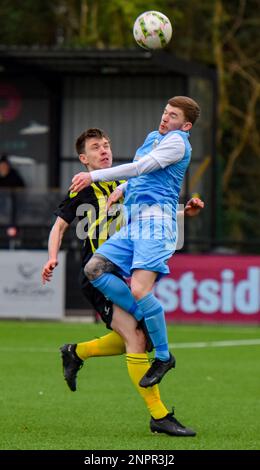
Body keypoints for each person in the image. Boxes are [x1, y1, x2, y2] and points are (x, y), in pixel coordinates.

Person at [42, 127, 203, 437]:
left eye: (106, 144)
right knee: (136, 338)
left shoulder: (129, 182)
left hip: (123, 273)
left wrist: (185, 212)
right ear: (83, 158)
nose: (103, 150)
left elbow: (154, 216)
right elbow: (59, 227)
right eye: (95, 147)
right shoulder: (85, 188)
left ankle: (76, 352)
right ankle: (159, 416)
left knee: (138, 334)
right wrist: (51, 257)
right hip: (99, 276)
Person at [69, 96, 201, 389]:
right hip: (135, 223)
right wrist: (125, 188)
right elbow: (144, 172)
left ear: (186, 124)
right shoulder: (155, 137)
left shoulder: (178, 142)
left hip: (156, 224)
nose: (166, 118)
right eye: (165, 112)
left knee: (140, 289)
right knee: (95, 269)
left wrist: (94, 176)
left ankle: (164, 356)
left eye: (174, 116)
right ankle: (147, 322)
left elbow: (142, 167)